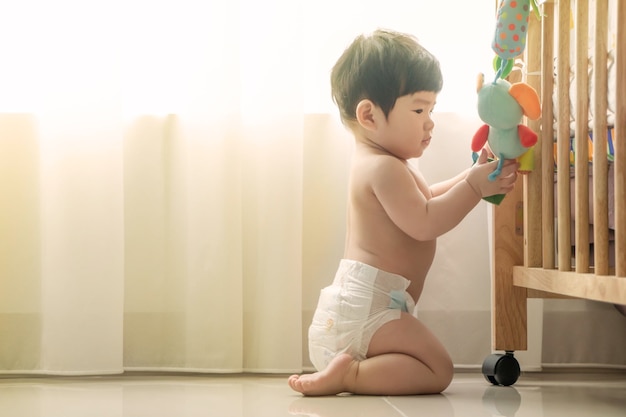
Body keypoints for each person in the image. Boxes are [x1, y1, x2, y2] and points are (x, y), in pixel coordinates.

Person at [288, 29, 519, 396]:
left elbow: (425, 199)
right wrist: (475, 187)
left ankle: (351, 370)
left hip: (365, 308)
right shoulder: (384, 168)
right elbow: (425, 222)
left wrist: (472, 174)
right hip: (369, 310)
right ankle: (349, 375)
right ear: (369, 115)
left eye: (432, 109)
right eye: (418, 109)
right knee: (437, 370)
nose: (430, 122)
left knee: (431, 368)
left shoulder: (384, 163)